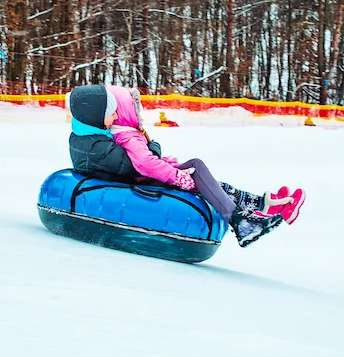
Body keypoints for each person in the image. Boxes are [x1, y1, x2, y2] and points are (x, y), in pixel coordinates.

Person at [67, 84, 301, 247]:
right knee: (196, 171)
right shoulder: (119, 137)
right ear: (95, 116)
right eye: (111, 112)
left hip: (142, 175)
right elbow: (140, 164)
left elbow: (134, 161)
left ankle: (262, 206)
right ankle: (243, 221)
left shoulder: (99, 134)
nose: (116, 116)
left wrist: (162, 160)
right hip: (142, 180)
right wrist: (170, 170)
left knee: (203, 178)